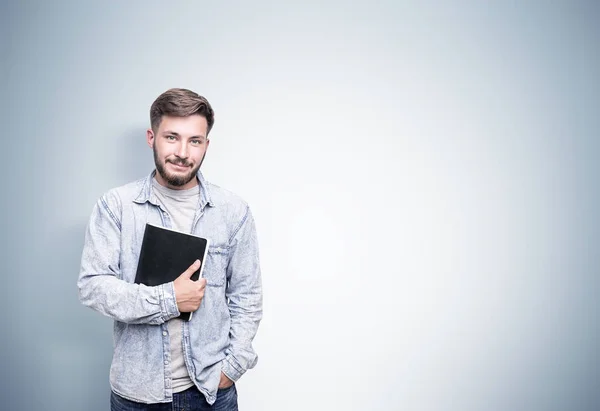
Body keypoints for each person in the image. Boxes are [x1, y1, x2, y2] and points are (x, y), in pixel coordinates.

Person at [78, 88, 262, 410]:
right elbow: (93, 287)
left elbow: (247, 297)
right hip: (137, 395)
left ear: (206, 144)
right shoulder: (116, 207)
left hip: (211, 394)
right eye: (172, 137)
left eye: (195, 141)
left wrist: (232, 368)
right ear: (152, 137)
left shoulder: (233, 212)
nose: (183, 152)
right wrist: (170, 299)